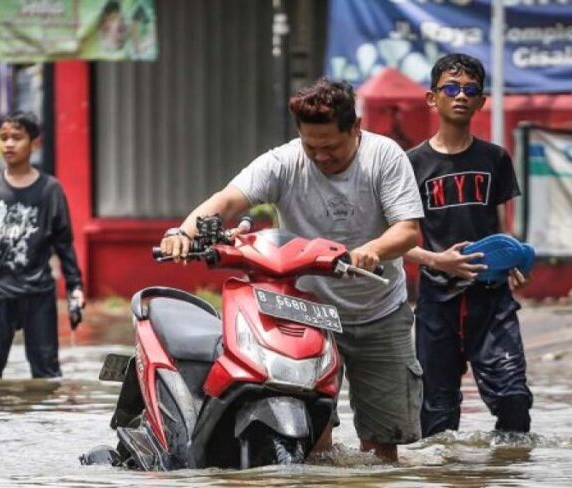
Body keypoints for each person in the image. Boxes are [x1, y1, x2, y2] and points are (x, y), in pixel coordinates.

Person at [160, 78, 425, 461]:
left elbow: (407, 230)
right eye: (311, 146)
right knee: (313, 445)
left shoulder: (385, 157)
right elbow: (228, 199)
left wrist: (368, 251)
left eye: (331, 147)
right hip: (305, 316)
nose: (320, 157)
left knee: (382, 446)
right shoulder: (284, 161)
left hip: (379, 312)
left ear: (356, 128)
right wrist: (181, 232)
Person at [405, 53, 532, 436]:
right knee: (437, 416)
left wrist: (513, 258)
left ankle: (506, 481)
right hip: (437, 302)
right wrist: (437, 261)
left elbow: (500, 225)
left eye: (471, 90)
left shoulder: (495, 158)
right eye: (452, 88)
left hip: (491, 298)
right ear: (432, 98)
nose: (461, 96)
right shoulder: (411, 164)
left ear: (481, 101)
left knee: (513, 398)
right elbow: (397, 239)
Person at [0, 112, 85, 380]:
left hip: (38, 291)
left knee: (47, 372)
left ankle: (46, 422)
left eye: (17, 138)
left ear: (34, 143)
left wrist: (75, 288)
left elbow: (64, 244)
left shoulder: (50, 190)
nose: (8, 144)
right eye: (4, 138)